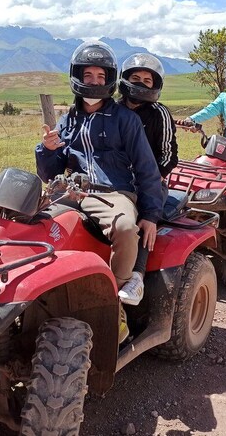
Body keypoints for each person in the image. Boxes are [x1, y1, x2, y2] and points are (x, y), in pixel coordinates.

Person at [35, 41, 163, 315]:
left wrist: (151, 214)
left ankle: (113, 303)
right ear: (78, 76)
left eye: (101, 76)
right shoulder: (67, 120)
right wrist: (46, 150)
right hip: (70, 193)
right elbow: (49, 174)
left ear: (110, 80)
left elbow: (146, 166)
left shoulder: (125, 119)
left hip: (113, 192)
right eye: (89, 75)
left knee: (126, 228)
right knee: (32, 224)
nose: (94, 81)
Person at [115, 52, 178, 305]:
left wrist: (150, 181)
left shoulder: (159, 114)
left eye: (147, 80)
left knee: (142, 215)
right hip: (113, 182)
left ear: (155, 85)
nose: (140, 83)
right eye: (135, 77)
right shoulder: (113, 109)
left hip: (150, 183)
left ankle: (136, 277)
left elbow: (169, 156)